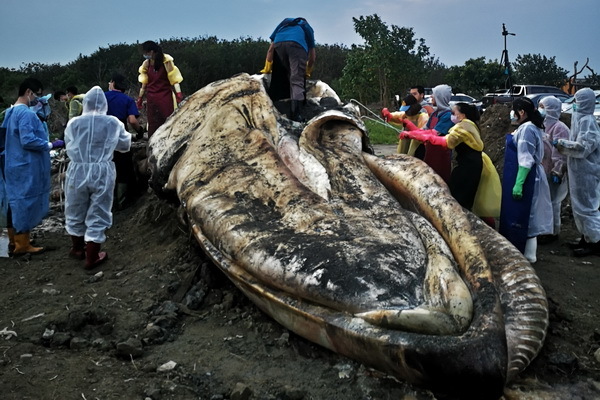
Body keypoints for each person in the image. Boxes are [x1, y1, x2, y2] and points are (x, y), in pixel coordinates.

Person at [400, 102, 501, 225]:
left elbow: (445, 141)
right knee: (464, 194)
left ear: (462, 115)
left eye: (454, 113)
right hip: (469, 163)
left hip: (468, 166)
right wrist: (415, 134)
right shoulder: (467, 124)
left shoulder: (463, 127)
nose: (452, 115)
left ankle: (461, 223)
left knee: (459, 195)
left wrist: (419, 136)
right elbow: (432, 132)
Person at [63, 86, 131, 269]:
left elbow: (68, 143)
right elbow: (124, 145)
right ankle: (92, 257)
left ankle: (77, 249)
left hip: (77, 170)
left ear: (85, 103)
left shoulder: (74, 123)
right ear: (104, 104)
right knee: (99, 210)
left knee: (75, 207)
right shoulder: (113, 123)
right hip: (102, 170)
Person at [0, 78, 64, 256]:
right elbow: (28, 140)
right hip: (25, 165)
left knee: (14, 202)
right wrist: (50, 145)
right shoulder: (26, 114)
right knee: (25, 202)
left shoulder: (9, 112)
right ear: (29, 92)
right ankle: (22, 244)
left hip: (12, 163)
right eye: (38, 94)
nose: (38, 99)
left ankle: (14, 240)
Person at [499, 97, 553, 263]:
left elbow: (526, 158)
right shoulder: (529, 127)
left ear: (521, 112)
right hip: (520, 173)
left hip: (525, 176)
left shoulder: (528, 129)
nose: (511, 113)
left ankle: (525, 256)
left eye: (513, 110)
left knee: (522, 216)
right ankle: (527, 254)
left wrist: (519, 183)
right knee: (525, 216)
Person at [554, 88, 600, 257]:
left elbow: (583, 148)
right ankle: (586, 238)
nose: (574, 105)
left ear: (584, 103)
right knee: (580, 208)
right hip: (579, 172)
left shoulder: (588, 121)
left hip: (587, 172)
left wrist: (561, 143)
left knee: (588, 208)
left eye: (577, 102)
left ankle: (596, 243)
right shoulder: (579, 119)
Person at [260, 17, 316, 122]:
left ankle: (282, 102)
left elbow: (270, 49)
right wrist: (307, 71)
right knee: (297, 78)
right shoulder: (306, 26)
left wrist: (267, 67)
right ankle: (296, 115)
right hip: (297, 45)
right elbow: (312, 57)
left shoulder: (284, 23)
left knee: (290, 73)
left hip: (279, 43)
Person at [105, 72, 145, 209]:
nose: (109, 84)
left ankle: (108, 202)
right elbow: (132, 120)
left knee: (106, 168)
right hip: (120, 138)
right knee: (123, 168)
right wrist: (140, 131)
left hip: (102, 138)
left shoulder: (102, 97)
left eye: (110, 81)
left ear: (114, 83)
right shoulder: (127, 100)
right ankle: (122, 202)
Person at [538, 96, 569, 244]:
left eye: (542, 107)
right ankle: (545, 229)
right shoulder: (541, 124)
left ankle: (553, 232)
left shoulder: (559, 128)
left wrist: (558, 170)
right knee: (544, 202)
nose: (540, 110)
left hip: (553, 172)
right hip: (543, 169)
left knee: (553, 202)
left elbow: (561, 152)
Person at [137, 40, 184, 137]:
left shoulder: (166, 61)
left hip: (165, 96)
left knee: (168, 120)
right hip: (151, 97)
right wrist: (140, 98)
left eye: (146, 52)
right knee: (153, 123)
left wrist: (178, 94)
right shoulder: (146, 64)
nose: (145, 54)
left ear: (152, 51)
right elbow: (144, 83)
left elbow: (174, 79)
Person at [415, 84, 454, 183]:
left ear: (440, 97)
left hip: (441, 154)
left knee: (439, 180)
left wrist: (415, 134)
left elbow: (434, 134)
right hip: (429, 151)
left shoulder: (448, 116)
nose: (431, 96)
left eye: (434, 94)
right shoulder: (435, 114)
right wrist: (413, 131)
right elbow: (425, 129)